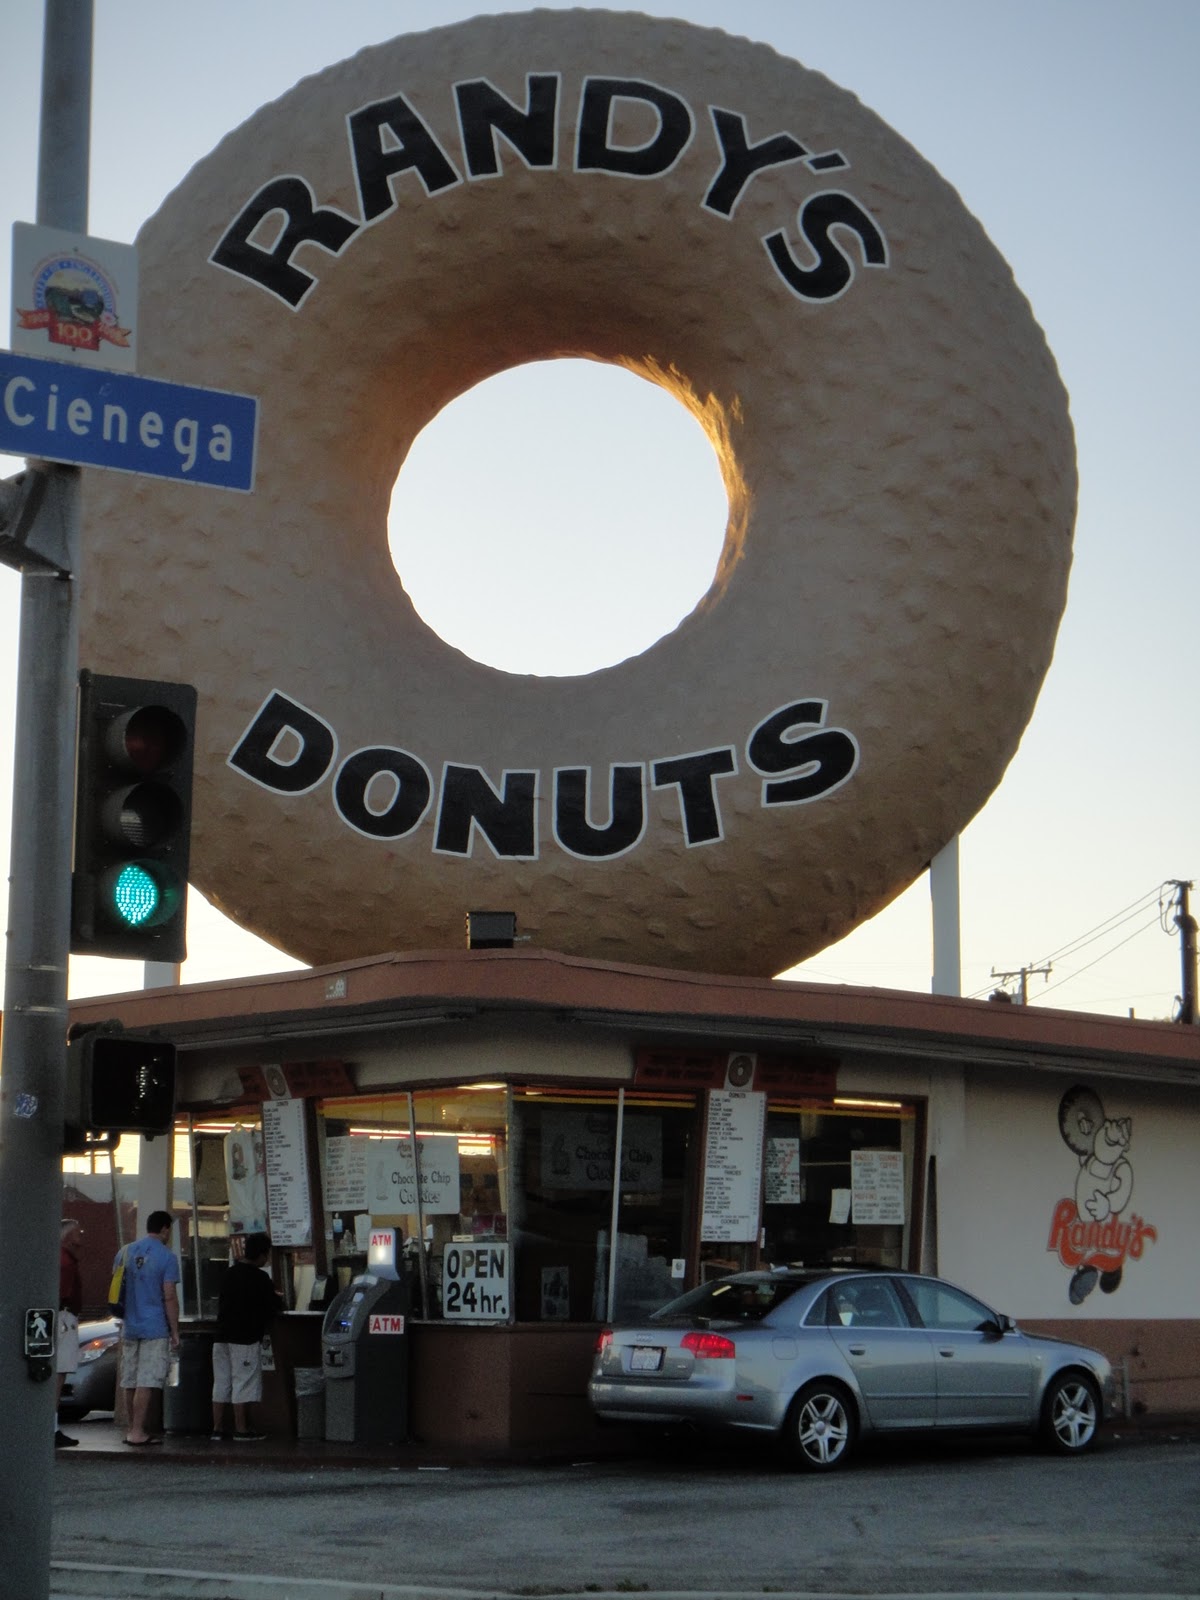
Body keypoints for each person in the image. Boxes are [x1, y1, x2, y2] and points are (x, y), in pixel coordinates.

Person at [115, 1210, 180, 1446]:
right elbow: (169, 1296)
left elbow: (116, 1287)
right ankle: (138, 1432)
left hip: (129, 1324)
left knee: (129, 1379)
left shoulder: (125, 1252)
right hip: (154, 1326)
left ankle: (131, 1428)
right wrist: (174, 1330)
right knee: (146, 1380)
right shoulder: (167, 1257)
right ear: (164, 1229)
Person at [210, 1232, 283, 1442]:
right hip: (245, 1337)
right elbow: (272, 1306)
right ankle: (241, 1430)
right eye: (267, 1254)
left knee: (221, 1382)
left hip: (221, 1336)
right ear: (261, 1254)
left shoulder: (229, 1274)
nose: (267, 1258)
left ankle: (218, 1429)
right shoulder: (260, 1278)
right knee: (243, 1381)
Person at [55, 1219, 84, 1448]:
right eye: (77, 1232)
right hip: (64, 1317)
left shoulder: (60, 1258)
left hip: (61, 1316)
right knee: (60, 1370)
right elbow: (63, 1293)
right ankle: (52, 1427)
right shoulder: (66, 1262)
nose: (81, 1237)